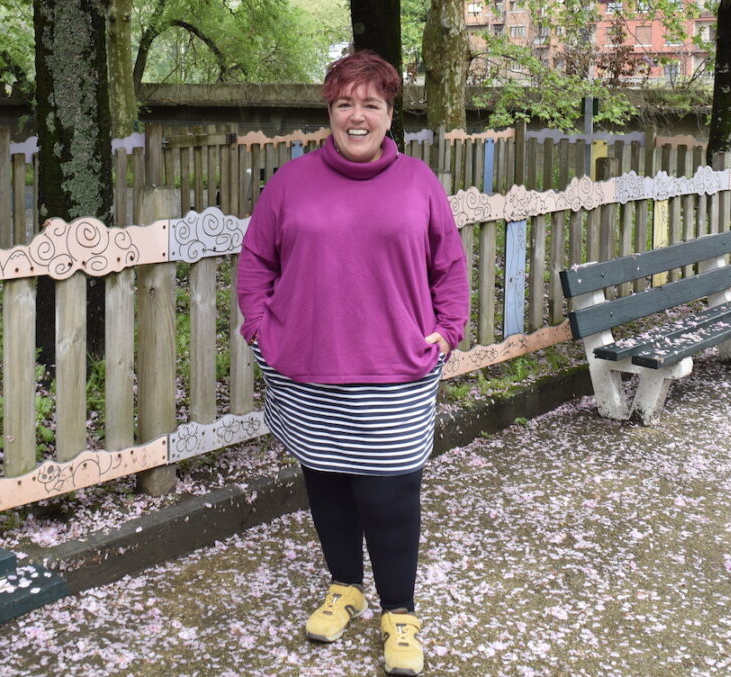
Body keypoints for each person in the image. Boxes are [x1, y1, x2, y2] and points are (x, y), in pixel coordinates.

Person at [237, 50, 470, 676]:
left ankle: (399, 613)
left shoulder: (418, 182)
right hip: (306, 366)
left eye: (371, 103)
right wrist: (259, 328)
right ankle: (344, 587)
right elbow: (256, 261)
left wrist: (448, 330)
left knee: (390, 494)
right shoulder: (290, 183)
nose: (357, 116)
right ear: (330, 112)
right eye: (345, 104)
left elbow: (449, 265)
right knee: (328, 484)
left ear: (389, 114)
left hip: (395, 367)